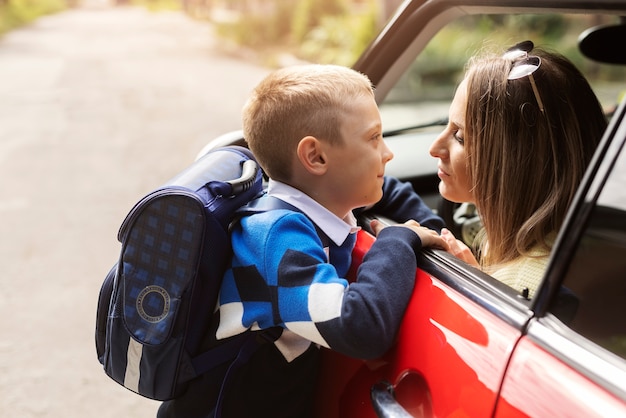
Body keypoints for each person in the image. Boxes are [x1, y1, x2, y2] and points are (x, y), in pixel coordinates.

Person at [158, 64, 447, 418]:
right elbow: (359, 328)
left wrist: (435, 229)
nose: (388, 153)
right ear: (316, 157)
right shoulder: (273, 237)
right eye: (373, 138)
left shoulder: (312, 199)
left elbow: (386, 190)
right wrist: (398, 240)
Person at [432, 40, 608, 298]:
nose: (435, 148)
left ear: (514, 160)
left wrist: (482, 291)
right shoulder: (573, 245)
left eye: (459, 136)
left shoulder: (522, 287)